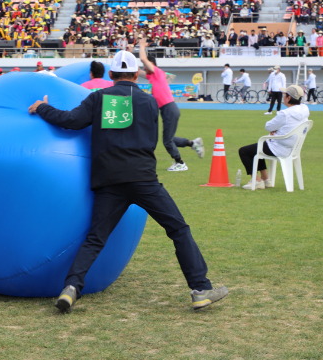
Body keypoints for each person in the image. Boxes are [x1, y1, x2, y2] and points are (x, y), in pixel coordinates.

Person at [29, 50, 227, 313]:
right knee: (178, 230)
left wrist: (42, 107)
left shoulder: (98, 97)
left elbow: (71, 121)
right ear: (136, 75)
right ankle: (200, 289)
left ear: (111, 75)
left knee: (95, 238)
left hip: (108, 181)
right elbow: (152, 141)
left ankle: (72, 287)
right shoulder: (149, 103)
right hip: (143, 179)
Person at [139, 39, 204, 171]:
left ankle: (180, 163)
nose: (143, 68)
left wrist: (141, 46)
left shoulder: (157, 72)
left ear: (151, 64)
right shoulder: (152, 76)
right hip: (167, 109)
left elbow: (143, 59)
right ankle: (193, 143)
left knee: (167, 141)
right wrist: (128, 53)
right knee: (169, 139)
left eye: (145, 65)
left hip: (169, 108)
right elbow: (135, 71)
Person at [238, 85, 309, 189]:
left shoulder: (285, 113)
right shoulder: (304, 110)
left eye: (285, 95)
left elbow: (268, 126)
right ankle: (265, 179)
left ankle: (257, 181)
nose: (283, 96)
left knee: (244, 151)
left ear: (289, 98)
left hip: (279, 147)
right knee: (259, 147)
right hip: (293, 148)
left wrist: (275, 130)